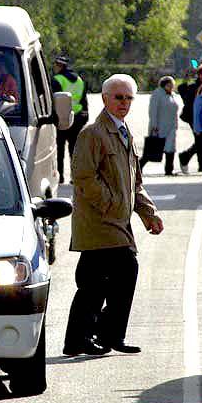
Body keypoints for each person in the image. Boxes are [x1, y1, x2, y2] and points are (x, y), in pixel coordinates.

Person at [63, 74, 164, 356]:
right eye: (118, 97)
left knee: (96, 283)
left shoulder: (123, 132)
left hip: (116, 221)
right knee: (119, 273)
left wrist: (148, 213)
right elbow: (83, 178)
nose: (124, 103)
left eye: (128, 98)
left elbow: (135, 182)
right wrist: (111, 204)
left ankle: (92, 337)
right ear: (105, 98)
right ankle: (100, 335)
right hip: (99, 222)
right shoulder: (93, 133)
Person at [51, 55, 89, 184]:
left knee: (60, 148)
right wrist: (85, 116)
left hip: (62, 117)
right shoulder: (79, 80)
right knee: (74, 149)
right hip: (77, 117)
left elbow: (54, 101)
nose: (54, 68)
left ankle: (60, 176)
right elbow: (84, 99)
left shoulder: (57, 80)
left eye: (55, 65)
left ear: (59, 66)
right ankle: (74, 176)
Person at [140, 76, 181, 176]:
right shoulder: (157, 94)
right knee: (152, 150)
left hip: (171, 127)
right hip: (159, 126)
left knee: (170, 148)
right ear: (164, 85)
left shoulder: (173, 95)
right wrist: (154, 125)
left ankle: (169, 170)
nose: (171, 87)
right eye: (169, 85)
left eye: (172, 85)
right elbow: (153, 110)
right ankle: (138, 167)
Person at [178, 64, 202, 173]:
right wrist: (185, 79)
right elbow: (184, 94)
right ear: (200, 75)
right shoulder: (194, 86)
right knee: (201, 139)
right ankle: (187, 157)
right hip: (193, 117)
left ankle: (201, 163)